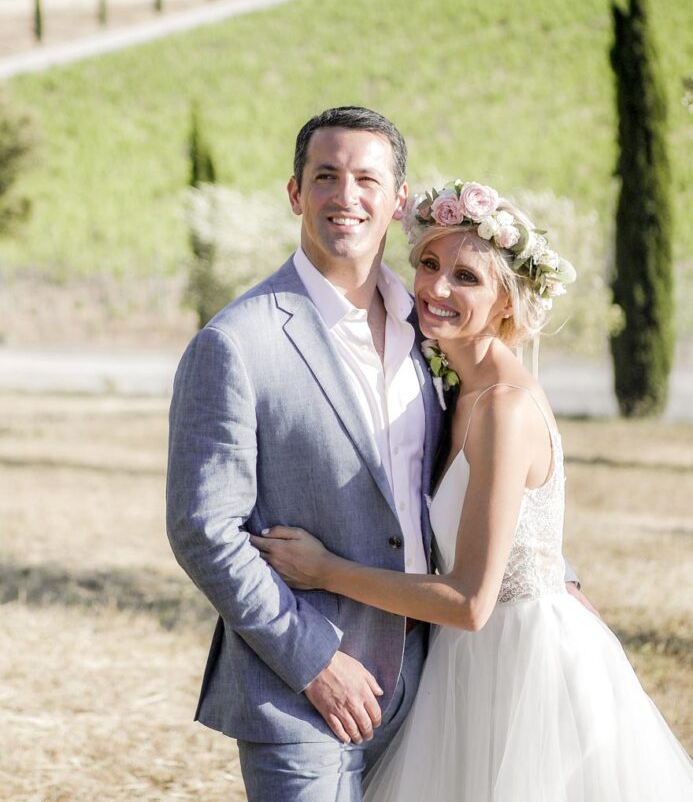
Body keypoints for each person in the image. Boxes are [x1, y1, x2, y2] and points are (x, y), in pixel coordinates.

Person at [167, 110, 585, 802]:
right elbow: (203, 529)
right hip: (302, 693)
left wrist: (545, 571)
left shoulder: (428, 328)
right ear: (295, 193)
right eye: (324, 176)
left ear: (397, 201)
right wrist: (314, 662)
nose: (345, 195)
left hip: (433, 680)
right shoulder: (235, 343)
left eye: (366, 178)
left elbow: (465, 471)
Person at [253, 179, 693, 801]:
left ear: (507, 303)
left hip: (524, 666)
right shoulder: (453, 391)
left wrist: (325, 570)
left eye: (466, 277)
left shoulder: (505, 409)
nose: (435, 288)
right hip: (461, 663)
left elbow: (469, 601)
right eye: (429, 265)